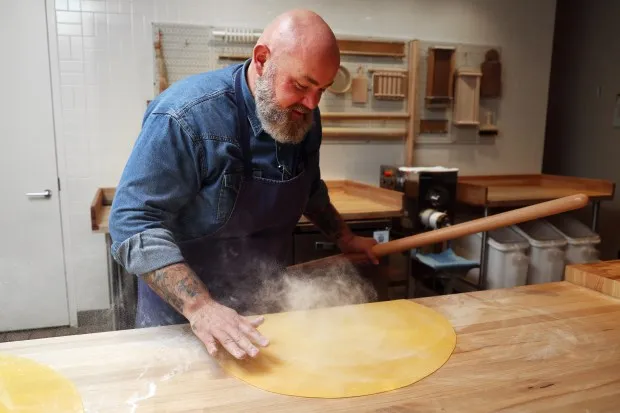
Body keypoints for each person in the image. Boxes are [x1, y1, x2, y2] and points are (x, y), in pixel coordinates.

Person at [108, 9, 379, 360]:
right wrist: (202, 308)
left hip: (265, 314)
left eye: (321, 90)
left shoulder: (302, 115)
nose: (311, 104)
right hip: (185, 323)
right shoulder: (185, 117)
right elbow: (132, 222)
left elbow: (310, 188)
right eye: (300, 85)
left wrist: (344, 237)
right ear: (262, 60)